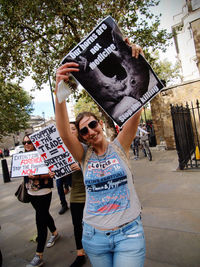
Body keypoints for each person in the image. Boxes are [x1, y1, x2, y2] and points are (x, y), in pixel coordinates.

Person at [55, 41, 146, 267]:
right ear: (82, 137)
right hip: (94, 238)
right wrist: (60, 88)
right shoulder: (84, 156)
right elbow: (65, 133)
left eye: (92, 124)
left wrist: (137, 60)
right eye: (84, 130)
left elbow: (137, 108)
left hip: (129, 235)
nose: (89, 131)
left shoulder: (120, 146)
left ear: (100, 124)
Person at [22, 134, 60, 267]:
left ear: (35, 142)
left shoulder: (44, 154)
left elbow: (52, 173)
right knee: (44, 214)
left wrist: (37, 175)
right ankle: (55, 233)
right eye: (24, 142)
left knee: (40, 221)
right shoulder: (23, 156)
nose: (26, 144)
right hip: (31, 192)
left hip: (44, 192)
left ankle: (39, 255)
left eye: (29, 142)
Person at [69, 122, 86, 267]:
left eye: (73, 129)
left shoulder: (86, 147)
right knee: (76, 224)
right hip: (75, 192)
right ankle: (80, 253)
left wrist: (81, 166)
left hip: (91, 192)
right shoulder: (63, 151)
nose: (70, 132)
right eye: (67, 130)